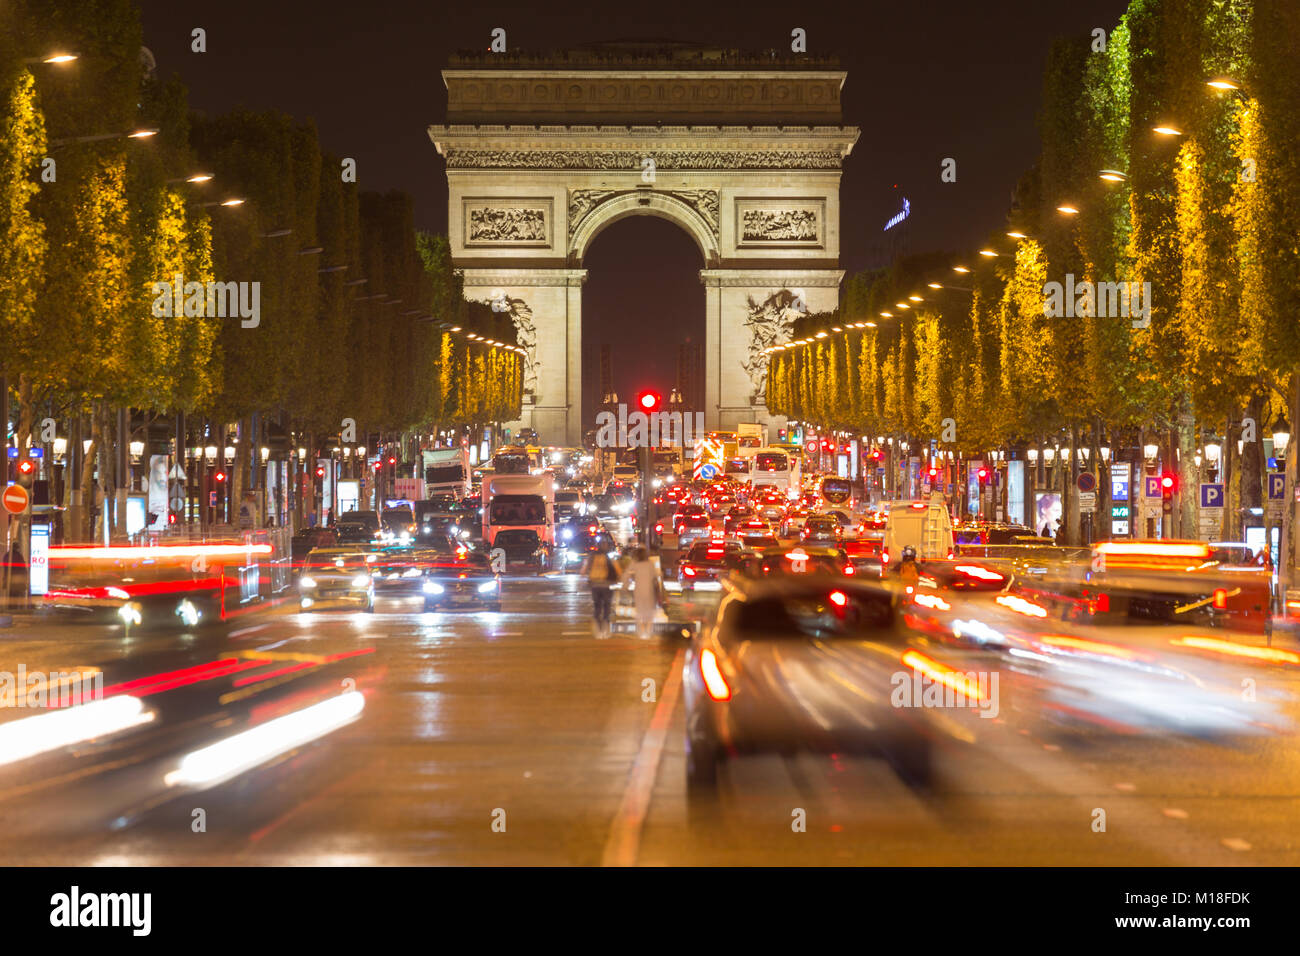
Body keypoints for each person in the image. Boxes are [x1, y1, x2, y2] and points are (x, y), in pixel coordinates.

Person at [584, 545, 620, 638]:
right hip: (606, 585)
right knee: (607, 606)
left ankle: (597, 629)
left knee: (597, 606)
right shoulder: (609, 558)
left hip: (595, 585)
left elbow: (583, 570)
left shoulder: (592, 558)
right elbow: (618, 570)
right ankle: (606, 628)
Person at [626, 546, 661, 640]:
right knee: (649, 611)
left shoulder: (634, 564)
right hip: (649, 590)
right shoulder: (650, 564)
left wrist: (625, 587)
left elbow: (628, 576)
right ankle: (648, 631)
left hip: (638, 590)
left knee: (640, 610)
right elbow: (655, 578)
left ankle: (641, 631)